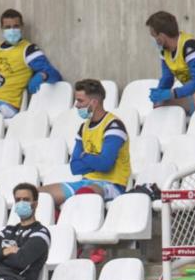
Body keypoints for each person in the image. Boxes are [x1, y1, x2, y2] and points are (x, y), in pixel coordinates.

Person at [40, 79, 130, 209]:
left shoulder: (113, 125)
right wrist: (94, 160)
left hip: (111, 185)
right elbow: (75, 167)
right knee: (38, 195)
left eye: (80, 101)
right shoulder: (84, 127)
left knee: (85, 195)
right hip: (85, 182)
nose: (76, 105)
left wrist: (85, 157)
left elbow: (105, 164)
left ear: (94, 103)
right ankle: (55, 227)